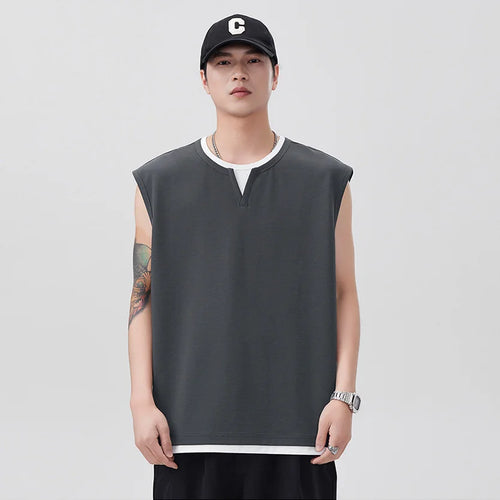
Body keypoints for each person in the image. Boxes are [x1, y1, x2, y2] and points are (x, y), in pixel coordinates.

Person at [128, 13, 361, 500]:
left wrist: (343, 397)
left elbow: (344, 292)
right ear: (204, 79)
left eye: (254, 60)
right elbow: (142, 297)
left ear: (275, 75)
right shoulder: (158, 182)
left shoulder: (326, 180)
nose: (239, 73)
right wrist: (141, 401)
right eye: (224, 62)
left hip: (299, 431)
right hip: (188, 432)